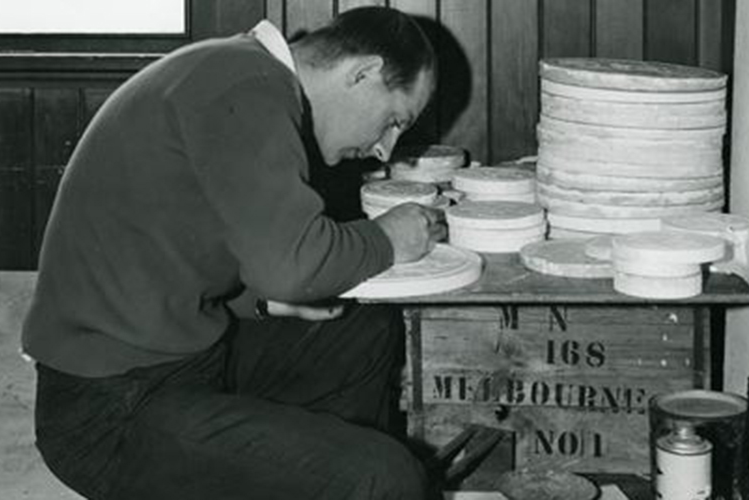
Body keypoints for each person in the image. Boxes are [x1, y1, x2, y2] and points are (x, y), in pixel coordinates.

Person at [22, 7, 445, 500]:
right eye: (394, 120)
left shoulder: (239, 72)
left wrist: (262, 304)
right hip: (109, 411)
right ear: (362, 73)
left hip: (177, 365)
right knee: (384, 477)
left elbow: (186, 247)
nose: (386, 150)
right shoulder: (247, 88)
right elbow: (290, 267)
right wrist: (388, 239)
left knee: (359, 333)